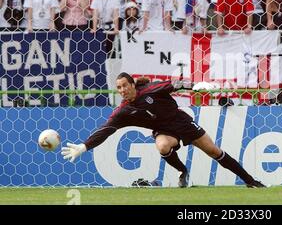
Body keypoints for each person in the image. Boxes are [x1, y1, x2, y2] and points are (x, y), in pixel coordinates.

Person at [61, 73, 266, 188]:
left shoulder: (150, 90)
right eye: (119, 88)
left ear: (132, 84)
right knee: (162, 146)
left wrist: (195, 85)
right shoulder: (124, 111)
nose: (122, 90)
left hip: (181, 121)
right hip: (163, 130)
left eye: (125, 85)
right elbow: (105, 130)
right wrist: (84, 146)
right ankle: (183, 172)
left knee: (214, 151)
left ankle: (250, 181)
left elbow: (175, 84)